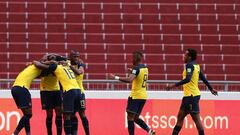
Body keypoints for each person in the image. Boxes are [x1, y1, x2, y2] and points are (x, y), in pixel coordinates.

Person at [166, 49, 218, 135]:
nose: (184, 56)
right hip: (189, 96)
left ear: (189, 57)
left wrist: (173, 86)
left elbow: (188, 79)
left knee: (196, 119)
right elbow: (203, 77)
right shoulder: (196, 65)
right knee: (180, 117)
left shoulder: (189, 65)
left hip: (191, 96)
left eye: (185, 55)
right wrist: (211, 88)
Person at [108, 51, 155, 135]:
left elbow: (130, 80)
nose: (132, 60)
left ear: (136, 58)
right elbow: (139, 75)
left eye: (133, 58)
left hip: (135, 96)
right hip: (143, 96)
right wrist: (132, 71)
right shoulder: (145, 68)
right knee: (136, 117)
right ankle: (149, 130)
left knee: (130, 117)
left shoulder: (136, 69)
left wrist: (115, 77)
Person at [33, 56, 82, 135]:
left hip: (58, 91)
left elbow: (39, 64)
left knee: (63, 114)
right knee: (50, 114)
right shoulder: (65, 64)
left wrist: (35, 61)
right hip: (46, 91)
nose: (52, 60)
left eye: (54, 59)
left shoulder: (55, 66)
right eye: (50, 59)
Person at [11, 64, 42, 135]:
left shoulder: (30, 67)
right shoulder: (39, 66)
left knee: (26, 115)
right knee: (28, 115)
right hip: (22, 88)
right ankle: (15, 133)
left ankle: (28, 133)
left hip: (15, 88)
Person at [68, 50, 90, 135]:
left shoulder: (80, 65)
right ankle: (74, 132)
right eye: (75, 56)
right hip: (70, 93)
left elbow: (79, 72)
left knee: (82, 113)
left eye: (78, 56)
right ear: (70, 57)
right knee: (71, 115)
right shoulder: (67, 64)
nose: (77, 58)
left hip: (80, 93)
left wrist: (69, 65)